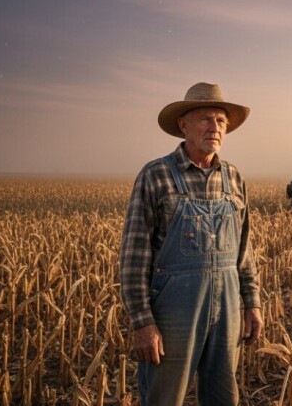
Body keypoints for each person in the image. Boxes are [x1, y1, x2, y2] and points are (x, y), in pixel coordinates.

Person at [120, 82, 263, 405]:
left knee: (224, 397)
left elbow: (244, 252)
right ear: (183, 125)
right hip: (173, 314)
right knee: (164, 398)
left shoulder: (234, 178)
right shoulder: (155, 175)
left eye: (221, 121)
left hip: (227, 309)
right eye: (205, 119)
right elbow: (133, 257)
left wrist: (252, 303)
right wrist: (142, 323)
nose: (215, 128)